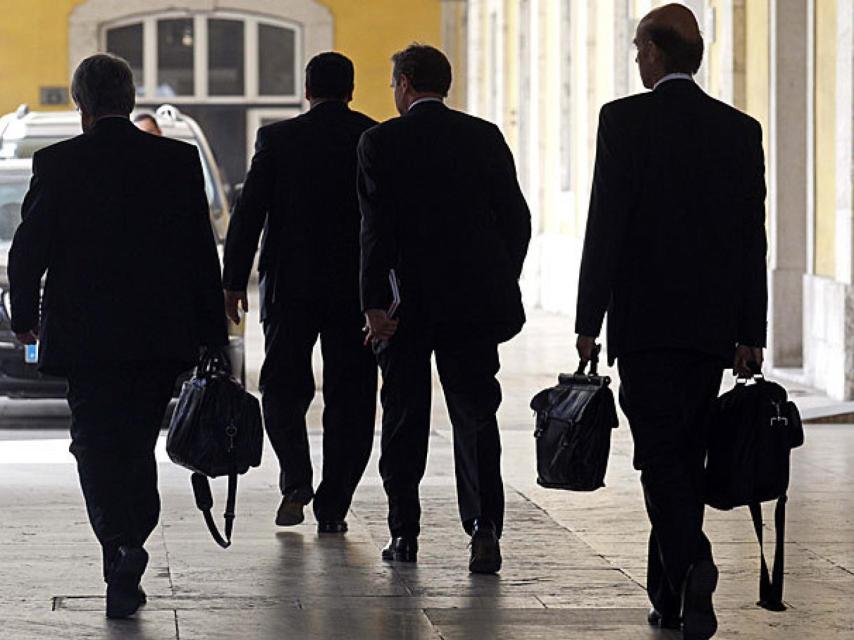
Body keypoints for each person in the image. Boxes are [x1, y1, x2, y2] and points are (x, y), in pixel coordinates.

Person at [8, 54, 227, 619]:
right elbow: (200, 256)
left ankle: (121, 546)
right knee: (136, 441)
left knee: (94, 444)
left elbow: (28, 249)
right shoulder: (176, 162)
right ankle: (131, 539)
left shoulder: (57, 163)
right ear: (130, 101)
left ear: (81, 105)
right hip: (159, 335)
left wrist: (25, 315)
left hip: (86, 338)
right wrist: (212, 336)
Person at [574, 5, 767, 639]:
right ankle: (670, 597)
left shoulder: (624, 121)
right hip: (710, 328)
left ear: (657, 54)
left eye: (638, 48)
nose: (635, 58)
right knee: (682, 450)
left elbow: (606, 225)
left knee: (658, 453)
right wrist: (750, 331)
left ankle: (695, 561)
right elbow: (750, 241)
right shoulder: (739, 130)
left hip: (646, 323)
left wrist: (587, 319)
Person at [358, 44, 531, 574]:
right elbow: (517, 220)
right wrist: (499, 279)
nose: (393, 92)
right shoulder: (484, 136)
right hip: (472, 306)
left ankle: (403, 534)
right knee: (476, 417)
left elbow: (375, 232)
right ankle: (484, 530)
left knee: (404, 418)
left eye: (393, 83)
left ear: (406, 83)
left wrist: (373, 306)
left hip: (406, 306)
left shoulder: (380, 142)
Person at [223, 52, 378, 534]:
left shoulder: (278, 138)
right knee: (352, 394)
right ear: (351, 91)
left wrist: (231, 281)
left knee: (282, 386)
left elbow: (249, 213)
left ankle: (295, 480)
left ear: (306, 91)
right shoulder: (373, 136)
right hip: (357, 286)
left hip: (291, 284)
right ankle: (334, 503)